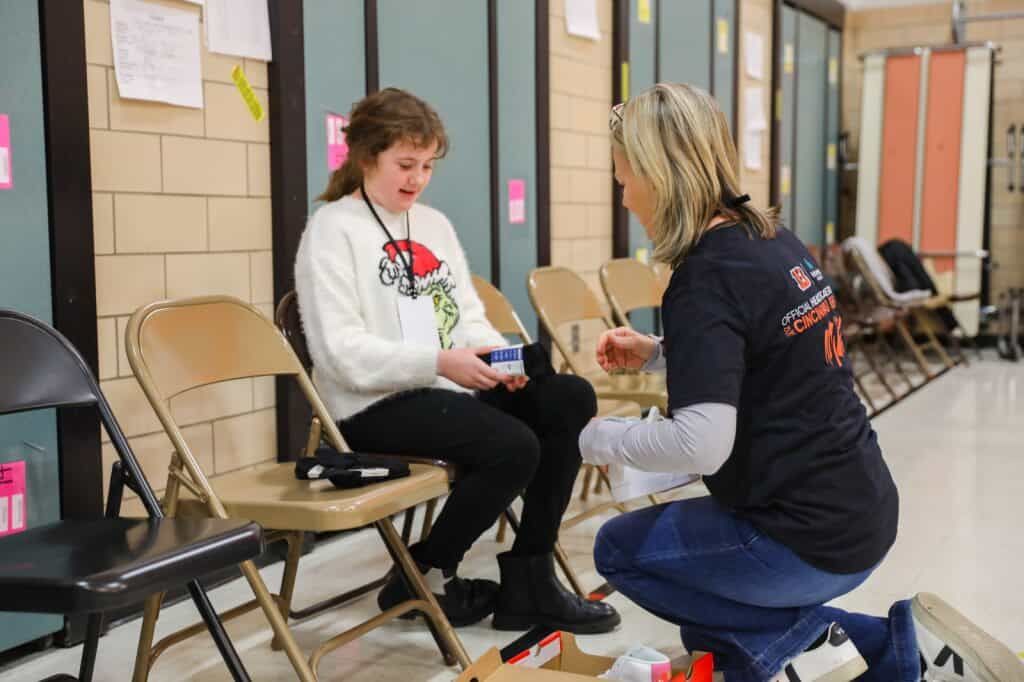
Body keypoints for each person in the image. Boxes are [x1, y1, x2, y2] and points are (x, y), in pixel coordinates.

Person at [580, 82, 1023, 682]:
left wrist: (592, 439)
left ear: (659, 176)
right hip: (862, 507)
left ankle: (889, 648)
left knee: (621, 552)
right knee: (709, 621)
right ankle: (864, 657)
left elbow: (701, 444)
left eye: (624, 176)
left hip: (801, 536)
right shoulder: (767, 238)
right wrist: (664, 353)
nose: (624, 194)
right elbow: (772, 355)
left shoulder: (702, 278)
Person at [294, 87, 619, 634]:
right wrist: (441, 363)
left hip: (445, 383)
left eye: (426, 166)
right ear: (367, 155)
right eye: (404, 164)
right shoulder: (332, 230)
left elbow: (463, 315)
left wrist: (498, 355)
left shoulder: (434, 225)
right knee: (513, 446)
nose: (416, 179)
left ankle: (531, 578)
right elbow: (340, 353)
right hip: (373, 401)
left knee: (567, 397)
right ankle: (422, 571)